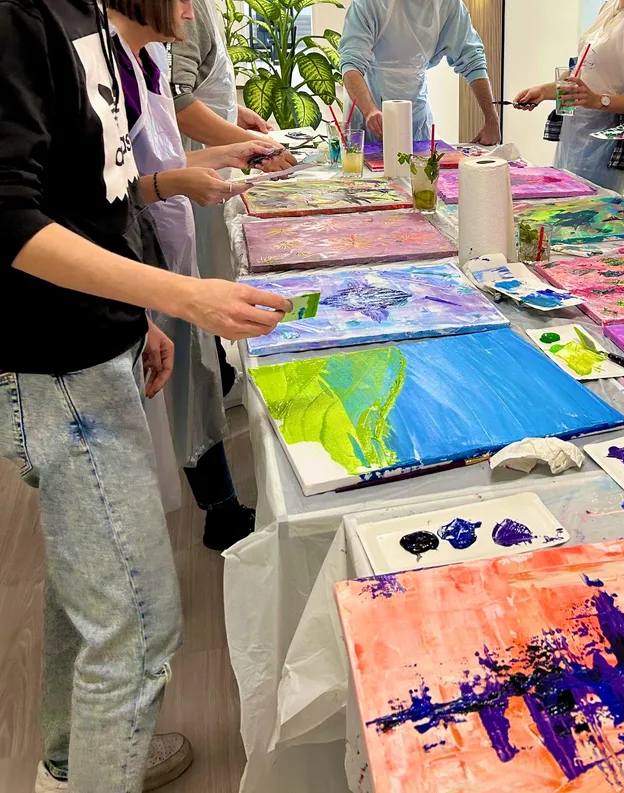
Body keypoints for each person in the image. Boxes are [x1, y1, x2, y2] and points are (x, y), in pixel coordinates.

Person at [0, 0, 290, 788]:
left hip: (96, 344)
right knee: (136, 628)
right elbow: (12, 221)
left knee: (80, 596)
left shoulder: (86, 18)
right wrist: (182, 297)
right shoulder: (23, 17)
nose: (190, 9)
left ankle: (70, 766)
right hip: (54, 365)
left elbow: (94, 192)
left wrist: (139, 315)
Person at [109, 0, 281, 551]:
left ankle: (219, 504)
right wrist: (180, 183)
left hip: (166, 234)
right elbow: (118, 190)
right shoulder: (106, 66)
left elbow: (162, 155)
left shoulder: (146, 57)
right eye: (183, 2)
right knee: (183, 383)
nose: (191, 14)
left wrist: (231, 150)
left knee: (197, 375)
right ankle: (219, 510)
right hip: (141, 248)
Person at [170, 0, 296, 284]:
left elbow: (192, 83)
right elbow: (176, 100)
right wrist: (258, 146)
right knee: (198, 277)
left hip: (208, 162)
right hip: (187, 169)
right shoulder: (187, 8)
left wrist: (230, 110)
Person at [513, 0, 624, 194]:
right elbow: (586, 72)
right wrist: (543, 92)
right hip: (573, 134)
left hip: (606, 144)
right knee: (564, 208)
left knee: (589, 215)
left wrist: (598, 101)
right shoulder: (610, 7)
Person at [340, 0, 501, 145]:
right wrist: (369, 110)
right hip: (369, 106)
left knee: (421, 172)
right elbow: (351, 64)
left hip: (417, 110)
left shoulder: (449, 5)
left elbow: (472, 60)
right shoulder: (371, 4)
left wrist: (492, 120)